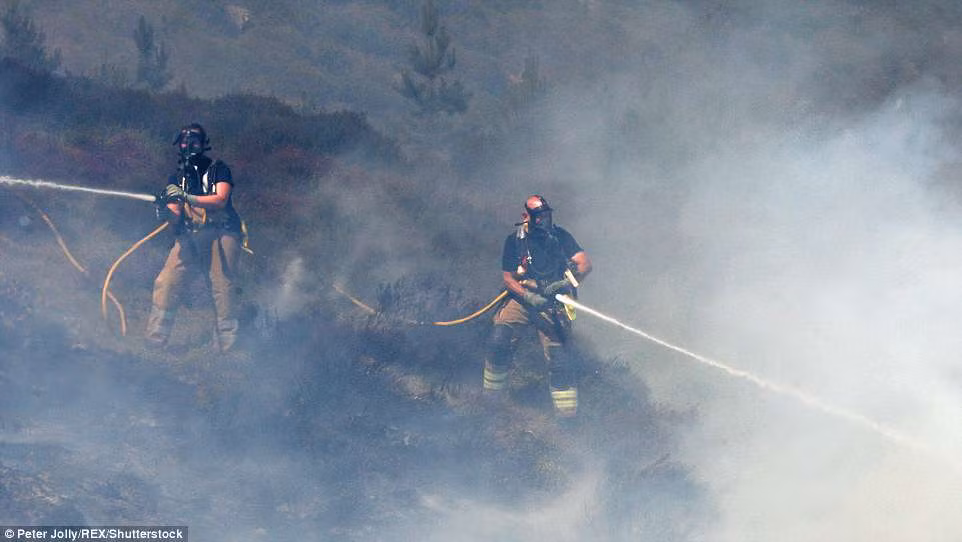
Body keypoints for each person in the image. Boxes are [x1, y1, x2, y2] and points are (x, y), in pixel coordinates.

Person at [482, 194, 592, 417]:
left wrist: (563, 284)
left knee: (560, 359)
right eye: (539, 217)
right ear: (526, 216)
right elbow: (509, 279)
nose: (544, 221)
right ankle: (490, 403)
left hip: (554, 302)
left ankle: (567, 418)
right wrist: (529, 297)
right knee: (499, 339)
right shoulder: (514, 241)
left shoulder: (561, 237)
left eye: (547, 216)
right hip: (523, 298)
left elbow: (585, 265)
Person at [145, 123, 243, 353]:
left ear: (203, 144)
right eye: (184, 142)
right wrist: (165, 211)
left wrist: (187, 197)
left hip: (222, 232)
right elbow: (175, 213)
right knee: (168, 281)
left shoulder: (218, 169)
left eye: (194, 142)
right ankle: (155, 341)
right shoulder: (176, 178)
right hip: (191, 234)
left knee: (222, 285)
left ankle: (226, 345)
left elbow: (220, 199)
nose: (189, 147)